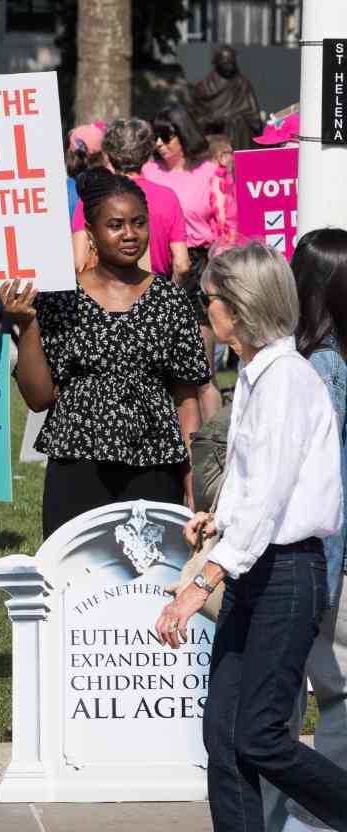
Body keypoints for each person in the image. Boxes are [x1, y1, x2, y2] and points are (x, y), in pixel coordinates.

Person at [153, 243, 347, 832]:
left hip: (286, 575)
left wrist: (201, 581)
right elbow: (256, 483)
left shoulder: (287, 378)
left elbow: (270, 496)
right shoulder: (260, 375)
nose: (203, 308)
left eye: (207, 299)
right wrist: (219, 519)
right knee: (226, 736)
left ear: (236, 309)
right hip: (260, 569)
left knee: (259, 736)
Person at [2, 169, 209, 539]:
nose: (130, 234)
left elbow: (186, 398)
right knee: (76, 582)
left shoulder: (171, 299)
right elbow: (38, 399)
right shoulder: (60, 298)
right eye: (116, 224)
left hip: (156, 464)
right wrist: (26, 325)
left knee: (149, 582)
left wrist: (192, 475)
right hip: (78, 463)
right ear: (92, 232)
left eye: (138, 223)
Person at [261, 230, 347, 832]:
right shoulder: (328, 365)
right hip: (323, 563)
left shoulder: (291, 361)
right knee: (333, 697)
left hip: (300, 559)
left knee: (281, 698)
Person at [144, 104, 225, 420]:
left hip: (199, 267)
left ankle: (215, 448)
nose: (159, 144)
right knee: (163, 371)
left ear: (184, 134)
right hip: (156, 267)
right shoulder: (149, 171)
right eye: (156, 137)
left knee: (202, 371)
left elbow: (226, 226)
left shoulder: (210, 172)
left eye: (166, 137)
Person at [70, 118, 190, 283]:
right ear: (147, 153)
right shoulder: (168, 197)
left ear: (108, 154)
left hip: (105, 291)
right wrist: (169, 297)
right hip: (155, 289)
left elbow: (79, 261)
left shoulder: (93, 196)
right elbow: (182, 264)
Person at [190, 44, 263, 150]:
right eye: (226, 63)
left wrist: (231, 119)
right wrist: (212, 120)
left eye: (232, 62)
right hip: (213, 134)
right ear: (217, 63)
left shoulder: (242, 83)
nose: (230, 66)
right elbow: (196, 119)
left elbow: (253, 115)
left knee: (238, 123)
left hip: (237, 134)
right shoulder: (203, 87)